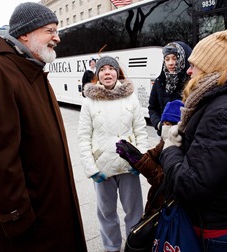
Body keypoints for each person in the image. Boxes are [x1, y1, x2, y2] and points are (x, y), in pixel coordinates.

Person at [0, 2, 87, 251]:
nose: (58, 37)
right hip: (31, 226)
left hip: (48, 211)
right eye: (50, 30)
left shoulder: (31, 71)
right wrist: (17, 218)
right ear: (25, 34)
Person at [158, 24, 227, 252]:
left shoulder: (226, 112)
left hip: (211, 226)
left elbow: (189, 185)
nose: (189, 71)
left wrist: (170, 148)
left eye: (194, 66)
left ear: (214, 68)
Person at [77, 55, 148, 252]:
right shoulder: (89, 102)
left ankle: (135, 246)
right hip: (102, 168)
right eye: (103, 69)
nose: (107, 72)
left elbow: (141, 131)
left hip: (128, 166)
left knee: (134, 212)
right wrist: (91, 168)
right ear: (97, 75)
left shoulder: (130, 97)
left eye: (111, 68)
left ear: (117, 72)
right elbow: (83, 137)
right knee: (106, 213)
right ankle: (112, 247)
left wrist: (140, 161)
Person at [116, 100, 184, 214]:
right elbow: (150, 156)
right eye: (164, 123)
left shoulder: (182, 147)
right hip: (157, 201)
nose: (166, 127)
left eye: (170, 124)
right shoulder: (164, 143)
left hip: (170, 208)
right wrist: (133, 156)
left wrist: (140, 161)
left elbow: (165, 181)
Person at [148, 41, 192, 136]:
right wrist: (159, 124)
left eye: (174, 59)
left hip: (184, 136)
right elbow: (152, 108)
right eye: (167, 59)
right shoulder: (159, 82)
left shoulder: (190, 83)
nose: (170, 63)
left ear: (182, 59)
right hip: (165, 136)